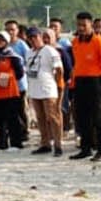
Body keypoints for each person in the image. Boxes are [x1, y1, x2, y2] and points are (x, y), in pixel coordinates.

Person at [69, 11, 101, 161]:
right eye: (79, 25)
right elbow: (76, 63)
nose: (81, 28)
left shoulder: (98, 41)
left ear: (91, 24)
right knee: (82, 116)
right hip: (80, 80)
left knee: (98, 116)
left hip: (95, 81)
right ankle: (85, 148)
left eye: (84, 25)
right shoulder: (75, 41)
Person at [25, 27, 65, 155]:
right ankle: (45, 143)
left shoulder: (49, 50)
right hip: (34, 88)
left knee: (53, 116)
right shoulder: (29, 52)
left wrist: (58, 84)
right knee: (40, 117)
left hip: (48, 88)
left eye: (35, 37)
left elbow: (59, 69)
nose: (33, 40)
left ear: (40, 36)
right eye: (30, 38)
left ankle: (58, 145)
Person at [0, 32, 26, 150]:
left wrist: (7, 77)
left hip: (10, 91)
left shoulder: (12, 56)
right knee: (0, 118)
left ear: (7, 42)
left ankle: (16, 142)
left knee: (12, 118)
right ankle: (1, 143)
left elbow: (20, 73)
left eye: (2, 40)